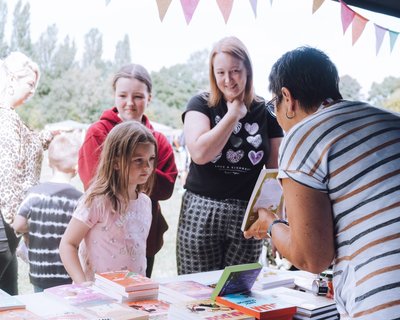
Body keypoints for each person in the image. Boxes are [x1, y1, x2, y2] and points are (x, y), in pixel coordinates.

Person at [243, 46, 400, 319]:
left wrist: (270, 224)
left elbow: (312, 257)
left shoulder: (303, 134)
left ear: (287, 98)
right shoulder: (389, 120)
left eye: (274, 106)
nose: (277, 117)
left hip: (384, 298)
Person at [176, 36, 283, 275]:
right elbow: (200, 153)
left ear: (248, 70)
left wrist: (277, 222)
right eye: (220, 72)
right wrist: (233, 114)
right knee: (196, 289)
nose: (228, 79)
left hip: (247, 214)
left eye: (235, 71)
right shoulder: (201, 103)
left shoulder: (266, 111)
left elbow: (274, 173)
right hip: (202, 208)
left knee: (239, 291)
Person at [78, 63, 177, 278]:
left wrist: (129, 169)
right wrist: (141, 177)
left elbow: (167, 187)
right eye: (122, 95)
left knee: (138, 298)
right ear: (114, 95)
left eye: (138, 97)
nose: (130, 103)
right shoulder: (98, 133)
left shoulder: (158, 139)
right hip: (103, 239)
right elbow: (94, 183)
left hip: (143, 237)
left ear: (149, 98)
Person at [60, 121, 157, 283]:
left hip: (133, 292)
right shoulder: (97, 201)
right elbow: (68, 244)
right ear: (116, 162)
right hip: (99, 296)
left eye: (151, 158)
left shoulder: (145, 202)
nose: (147, 167)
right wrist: (82, 284)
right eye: (138, 160)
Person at [0, 52, 55, 294]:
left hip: (8, 221)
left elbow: (27, 147)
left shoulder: (10, 116)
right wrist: (19, 222)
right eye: (29, 84)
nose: (32, 91)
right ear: (12, 79)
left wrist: (48, 137)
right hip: (5, 221)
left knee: (8, 295)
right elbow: (8, 175)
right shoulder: (5, 118)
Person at [12, 133, 83, 292]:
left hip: (40, 270)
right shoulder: (79, 200)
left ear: (49, 163)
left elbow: (18, 224)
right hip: (67, 272)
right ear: (76, 168)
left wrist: (35, 228)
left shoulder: (35, 194)